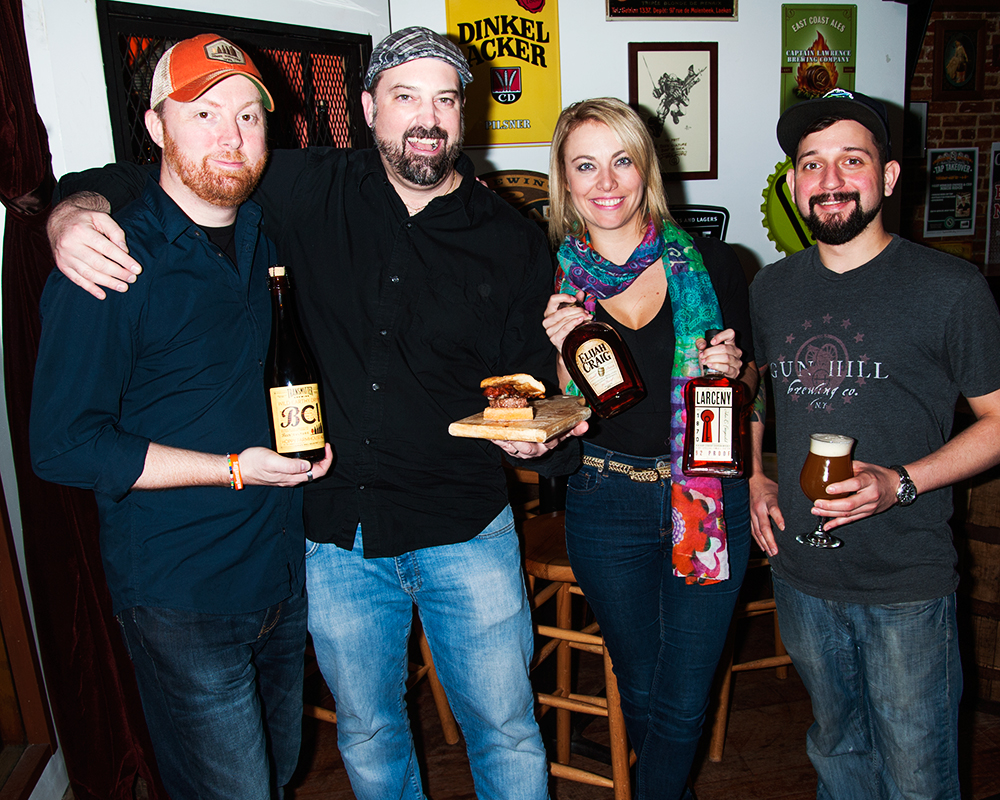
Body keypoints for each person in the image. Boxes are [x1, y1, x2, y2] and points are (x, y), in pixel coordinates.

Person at [45, 27, 583, 800]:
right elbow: (158, 176)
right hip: (333, 537)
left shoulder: (512, 240)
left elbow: (524, 389)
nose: (427, 119)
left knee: (504, 727)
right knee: (367, 729)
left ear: (465, 114)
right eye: (405, 97)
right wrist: (72, 213)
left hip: (464, 527)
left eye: (444, 100)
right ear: (368, 107)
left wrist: (541, 441)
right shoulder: (302, 186)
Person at [29, 34, 333, 799]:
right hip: (181, 594)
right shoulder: (110, 259)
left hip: (279, 569)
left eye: (248, 116)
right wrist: (231, 469)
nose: (231, 136)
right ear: (156, 126)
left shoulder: (266, 236)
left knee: (278, 773)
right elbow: (63, 445)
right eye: (203, 113)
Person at [748, 88, 1000, 800]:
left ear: (887, 177)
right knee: (836, 753)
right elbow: (753, 385)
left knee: (917, 776)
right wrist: (755, 474)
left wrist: (901, 482)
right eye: (811, 164)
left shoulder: (951, 289)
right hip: (802, 572)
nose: (829, 179)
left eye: (851, 160)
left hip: (904, 581)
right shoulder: (770, 289)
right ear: (794, 185)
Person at [541, 98, 757, 800]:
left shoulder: (715, 264)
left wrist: (737, 372)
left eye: (622, 161)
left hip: (706, 491)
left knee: (686, 697)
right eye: (585, 166)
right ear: (565, 180)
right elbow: (547, 411)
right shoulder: (548, 280)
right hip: (606, 498)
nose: (606, 182)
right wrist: (559, 353)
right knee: (638, 684)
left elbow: (750, 379)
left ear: (647, 169)